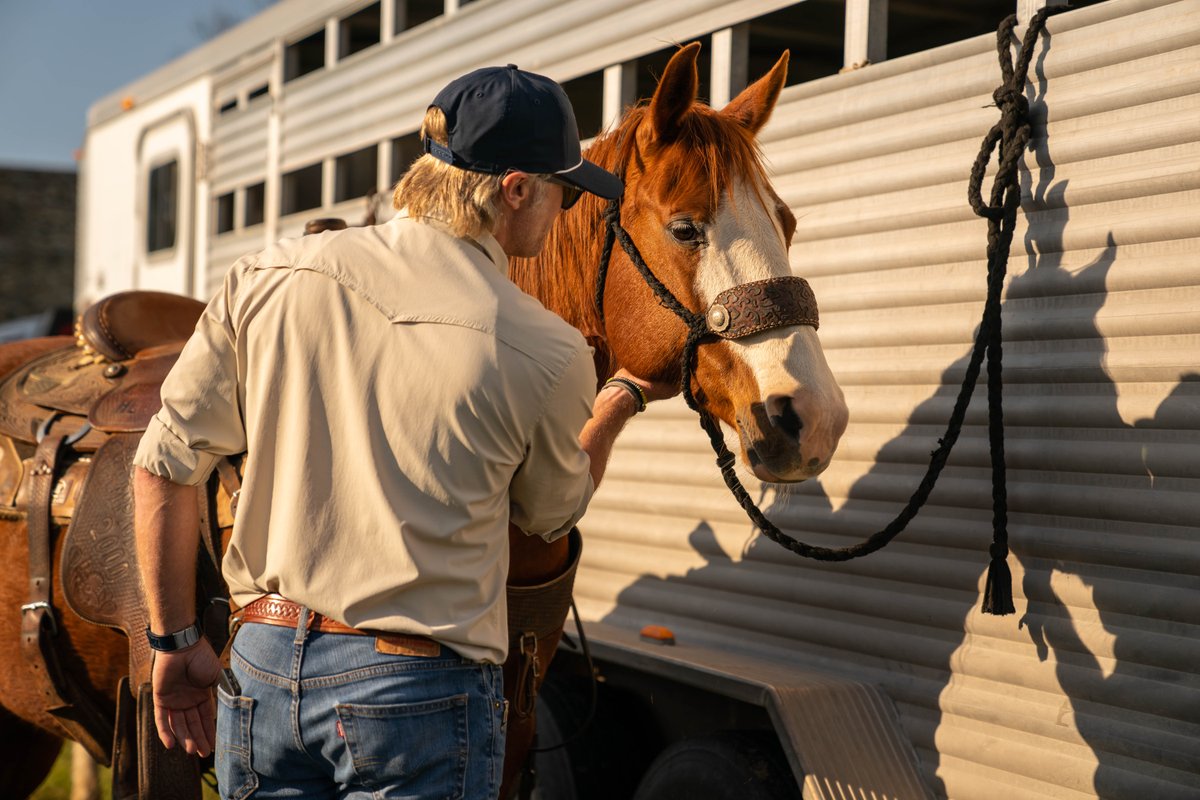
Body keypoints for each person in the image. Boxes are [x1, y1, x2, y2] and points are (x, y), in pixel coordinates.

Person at [133, 64, 670, 799]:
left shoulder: (266, 276)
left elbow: (163, 466)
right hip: (416, 689)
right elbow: (549, 513)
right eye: (564, 190)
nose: (567, 209)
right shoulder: (546, 349)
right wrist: (619, 401)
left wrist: (171, 641)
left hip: (255, 661)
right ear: (515, 189)